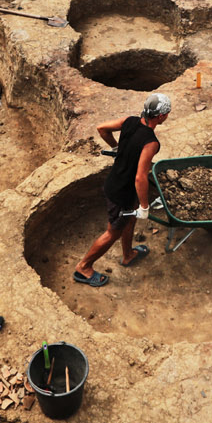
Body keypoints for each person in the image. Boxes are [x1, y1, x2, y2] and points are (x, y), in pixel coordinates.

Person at [72, 94, 171, 287]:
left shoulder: (129, 121)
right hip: (121, 191)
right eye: (167, 113)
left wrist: (116, 147)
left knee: (130, 218)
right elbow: (140, 177)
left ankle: (128, 254)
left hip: (116, 182)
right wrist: (144, 206)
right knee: (112, 232)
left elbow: (102, 129)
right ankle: (83, 267)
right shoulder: (151, 142)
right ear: (161, 117)